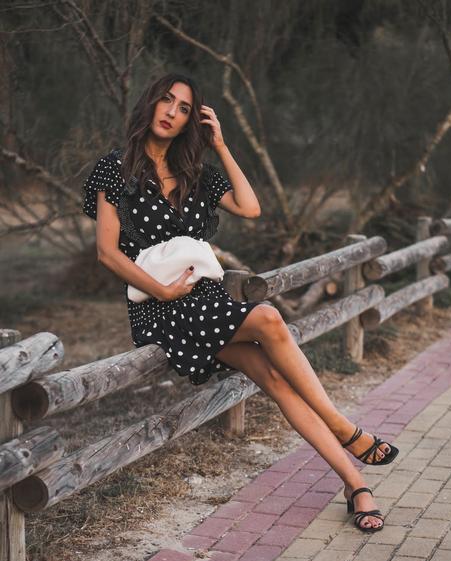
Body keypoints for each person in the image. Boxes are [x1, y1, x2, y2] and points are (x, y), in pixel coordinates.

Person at [82, 72, 398, 532]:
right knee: (269, 319)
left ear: (193, 120)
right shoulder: (114, 169)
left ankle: (355, 482)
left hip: (205, 299)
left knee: (275, 379)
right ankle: (346, 430)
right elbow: (107, 252)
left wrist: (223, 147)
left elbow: (251, 207)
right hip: (159, 306)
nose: (172, 112)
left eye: (184, 108)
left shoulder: (195, 174)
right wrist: (164, 290)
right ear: (150, 104)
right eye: (166, 101)